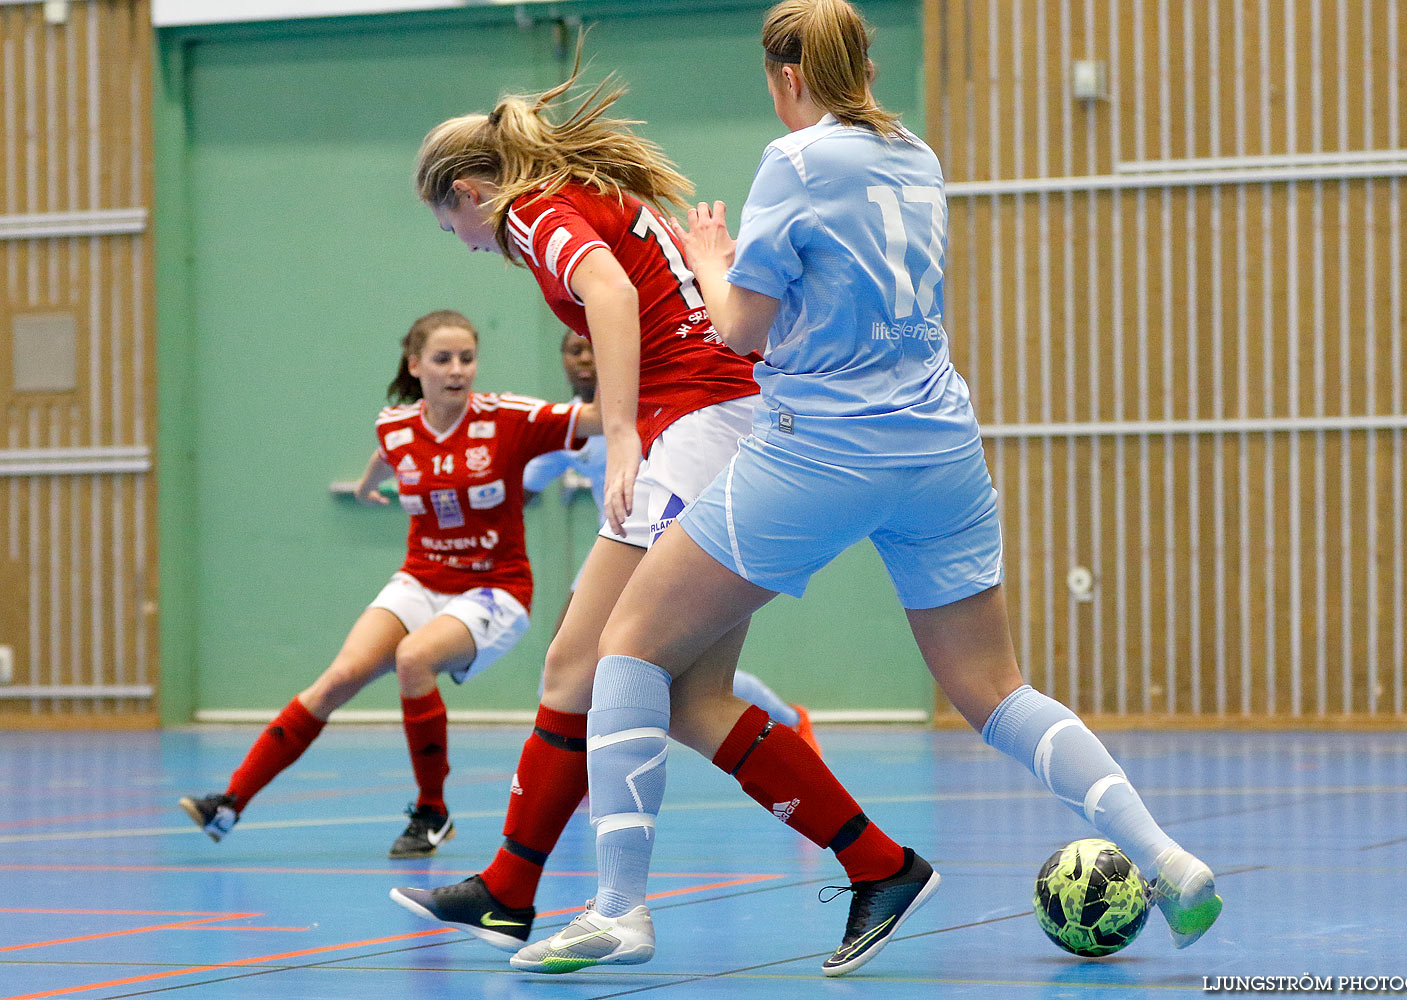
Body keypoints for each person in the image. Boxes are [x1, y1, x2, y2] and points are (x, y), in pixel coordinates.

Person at [517, 0, 1223, 977]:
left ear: (786, 77)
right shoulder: (916, 155)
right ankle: (1168, 860)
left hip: (821, 454)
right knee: (994, 688)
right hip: (941, 451)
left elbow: (741, 329)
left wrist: (714, 259)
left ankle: (619, 910)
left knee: (627, 645)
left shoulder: (794, 161)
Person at [389, 48, 905, 957]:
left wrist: (620, 431)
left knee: (576, 668)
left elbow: (612, 293)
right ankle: (878, 863)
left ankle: (519, 889)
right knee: (691, 699)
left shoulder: (538, 210)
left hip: (696, 432)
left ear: (472, 192)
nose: (466, 246)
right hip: (738, 426)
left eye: (448, 228)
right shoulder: (582, 196)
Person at [179, 310, 599, 858]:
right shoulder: (396, 426)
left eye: (467, 359)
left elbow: (597, 418)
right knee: (339, 678)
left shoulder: (509, 419)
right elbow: (388, 454)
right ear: (416, 365)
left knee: (412, 659)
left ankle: (432, 810)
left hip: (494, 591)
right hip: (421, 578)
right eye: (443, 359)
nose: (457, 370)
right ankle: (230, 802)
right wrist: (365, 487)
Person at [523, 329, 820, 746]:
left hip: (679, 541)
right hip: (617, 547)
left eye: (594, 345)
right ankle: (577, 771)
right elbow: (520, 488)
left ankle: (788, 720)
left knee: (690, 683)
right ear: (563, 360)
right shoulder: (571, 428)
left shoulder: (660, 397)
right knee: (567, 663)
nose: (587, 357)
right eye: (575, 349)